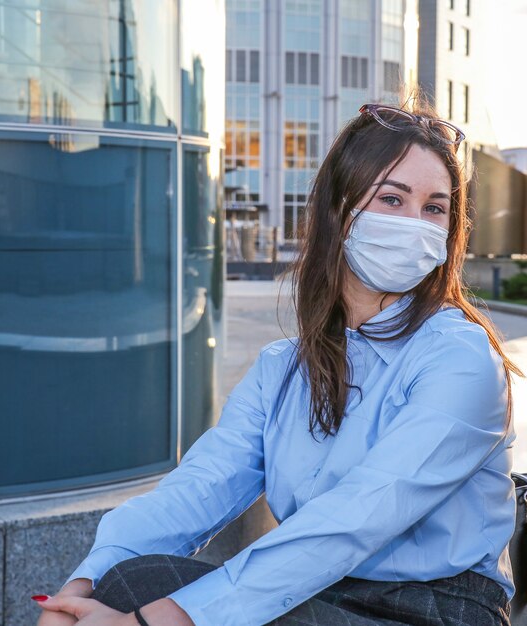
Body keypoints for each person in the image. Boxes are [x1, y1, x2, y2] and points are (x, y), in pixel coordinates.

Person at [34, 101, 522, 626]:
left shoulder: (459, 355)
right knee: (128, 580)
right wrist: (77, 591)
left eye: (434, 208)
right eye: (391, 198)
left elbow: (357, 516)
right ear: (338, 210)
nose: (414, 224)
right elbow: (200, 487)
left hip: (436, 609)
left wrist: (153, 622)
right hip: (327, 590)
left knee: (160, 607)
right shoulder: (282, 369)